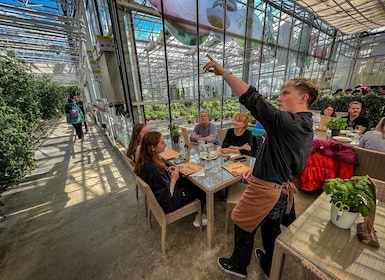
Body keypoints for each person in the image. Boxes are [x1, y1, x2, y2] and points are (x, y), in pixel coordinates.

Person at [203, 54, 319, 278]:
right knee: (270, 228)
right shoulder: (300, 126)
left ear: (304, 98)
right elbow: (279, 156)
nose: (280, 97)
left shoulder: (293, 123)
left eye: (286, 93)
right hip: (277, 188)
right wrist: (255, 170)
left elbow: (255, 101)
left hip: (266, 191)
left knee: (243, 225)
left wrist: (225, 73)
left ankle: (238, 265)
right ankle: (269, 264)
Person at [134, 131, 207, 227]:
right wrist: (173, 179)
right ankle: (200, 218)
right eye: (162, 143)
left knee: (185, 179)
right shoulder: (155, 170)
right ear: (153, 148)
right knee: (201, 189)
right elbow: (168, 196)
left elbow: (158, 181)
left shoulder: (145, 162)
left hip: (160, 195)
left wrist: (166, 171)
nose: (165, 144)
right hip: (169, 203)